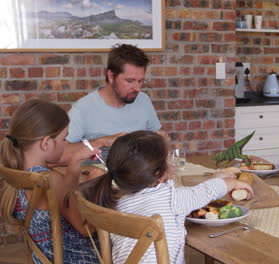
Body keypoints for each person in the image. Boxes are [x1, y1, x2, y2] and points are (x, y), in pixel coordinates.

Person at [80, 130, 254, 264]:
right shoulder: (172, 198)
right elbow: (207, 190)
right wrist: (231, 182)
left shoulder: (114, 200)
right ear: (158, 173)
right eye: (168, 158)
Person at [0, 100, 101, 263]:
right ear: (46, 143)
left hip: (45, 258)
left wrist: (74, 165)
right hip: (78, 259)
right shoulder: (51, 179)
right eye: (64, 139)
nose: (66, 144)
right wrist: (97, 185)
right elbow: (85, 228)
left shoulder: (23, 173)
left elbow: (65, 199)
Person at [61, 43, 162, 164]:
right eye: (130, 81)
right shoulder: (83, 108)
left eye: (140, 81)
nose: (137, 88)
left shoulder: (143, 100)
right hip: (97, 178)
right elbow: (59, 154)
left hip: (135, 177)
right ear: (111, 76)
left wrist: (161, 142)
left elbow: (157, 140)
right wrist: (102, 142)